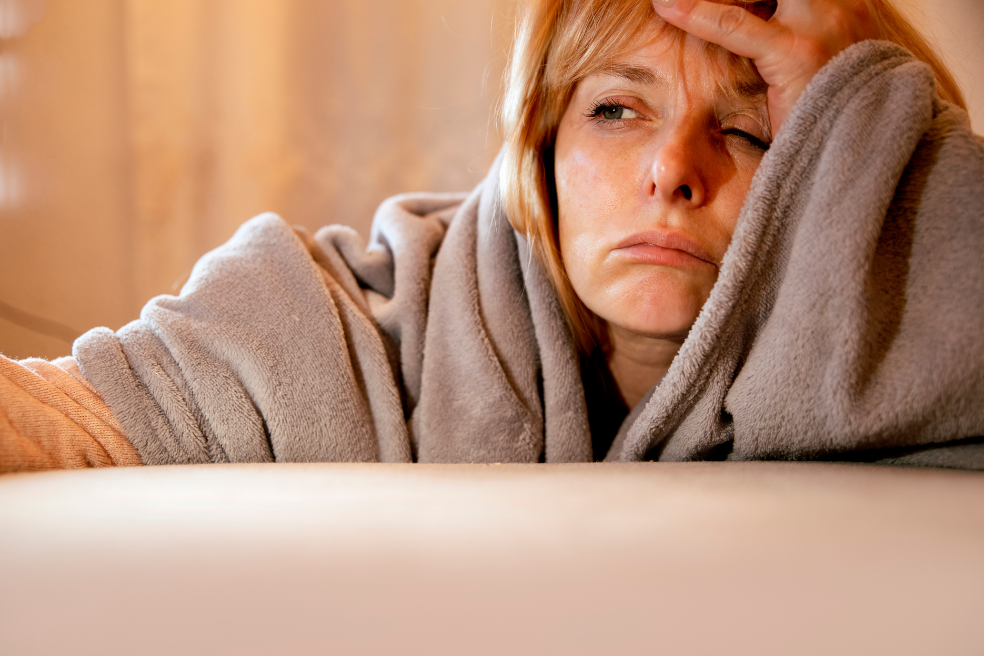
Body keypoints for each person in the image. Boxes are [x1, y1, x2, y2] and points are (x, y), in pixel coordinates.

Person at [1, 0, 982, 472]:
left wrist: (876, 136)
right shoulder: (350, 316)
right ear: (539, 152)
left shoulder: (917, 331)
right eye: (615, 110)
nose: (673, 170)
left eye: (749, 129)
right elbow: (57, 418)